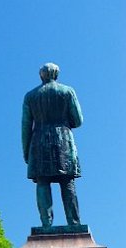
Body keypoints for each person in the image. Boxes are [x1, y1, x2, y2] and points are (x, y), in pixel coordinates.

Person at [22, 63, 83, 227]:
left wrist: (26, 150)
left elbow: (26, 126)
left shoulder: (30, 96)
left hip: (39, 142)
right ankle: (74, 223)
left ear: (41, 75)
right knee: (67, 182)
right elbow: (78, 120)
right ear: (56, 74)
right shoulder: (67, 91)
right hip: (63, 140)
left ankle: (46, 224)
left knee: (42, 182)